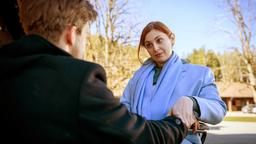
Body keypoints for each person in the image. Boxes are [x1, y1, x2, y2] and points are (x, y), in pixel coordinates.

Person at [0, 1, 191, 143]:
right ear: (71, 34)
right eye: (85, 35)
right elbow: (139, 137)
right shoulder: (78, 80)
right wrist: (179, 123)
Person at [120, 21, 227, 144]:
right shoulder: (136, 78)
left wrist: (192, 103)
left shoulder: (200, 74)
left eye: (159, 40)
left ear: (172, 39)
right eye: (149, 45)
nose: (155, 48)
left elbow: (219, 109)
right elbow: (123, 109)